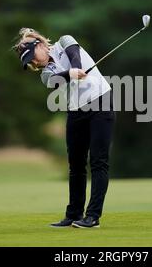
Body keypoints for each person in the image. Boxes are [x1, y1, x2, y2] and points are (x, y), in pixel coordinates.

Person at [14, 28, 115, 228]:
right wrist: (72, 73)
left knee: (98, 161)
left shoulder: (64, 41)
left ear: (40, 45)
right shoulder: (46, 74)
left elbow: (73, 53)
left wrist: (77, 68)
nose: (34, 63)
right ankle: (73, 215)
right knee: (76, 164)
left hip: (100, 102)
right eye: (29, 62)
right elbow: (55, 81)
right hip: (76, 110)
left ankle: (92, 217)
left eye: (32, 57)